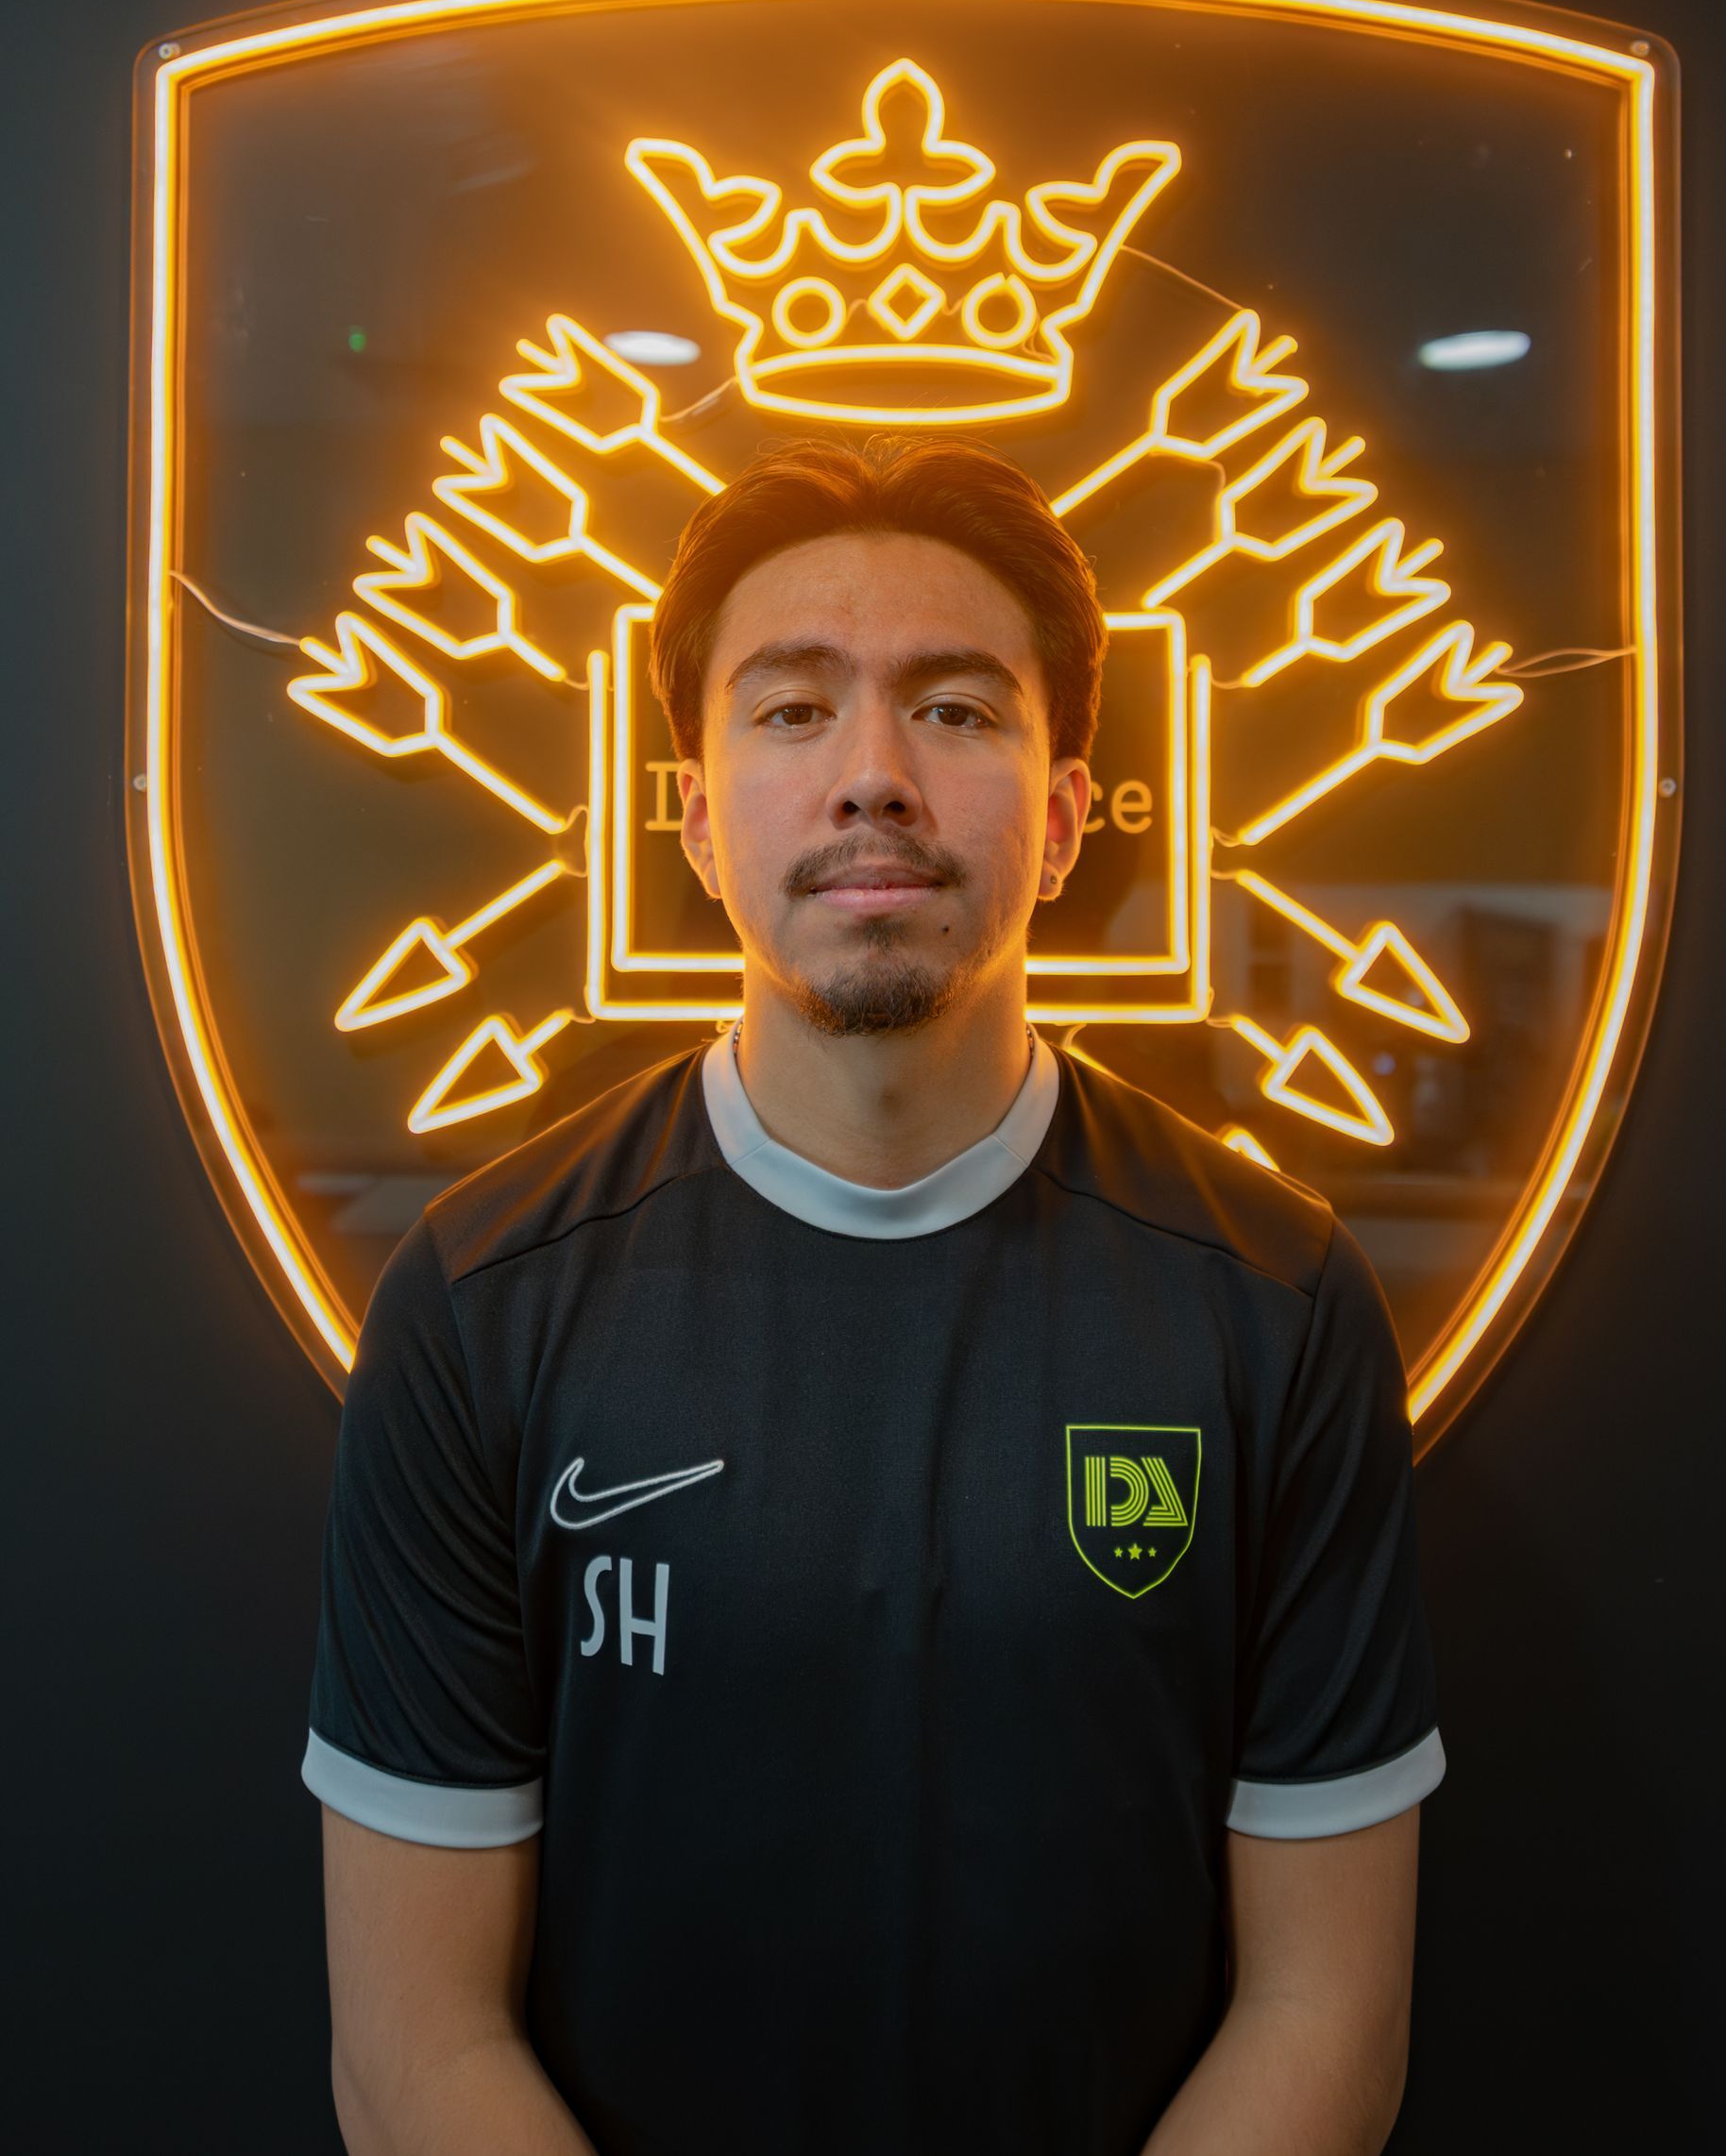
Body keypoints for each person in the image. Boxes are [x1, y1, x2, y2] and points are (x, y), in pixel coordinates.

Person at [305, 435, 1443, 2156]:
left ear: (1063, 820)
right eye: (791, 709)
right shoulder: (480, 1306)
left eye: (957, 709)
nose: (873, 778)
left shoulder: (1276, 1303)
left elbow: (1328, 2015)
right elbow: (415, 2045)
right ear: (697, 819)